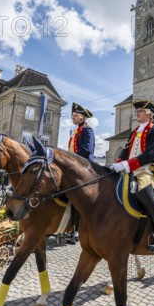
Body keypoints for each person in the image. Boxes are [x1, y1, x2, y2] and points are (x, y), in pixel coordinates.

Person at [109, 100, 154, 253]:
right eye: (137, 111)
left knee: (142, 190)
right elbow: (125, 151)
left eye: (140, 110)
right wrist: (118, 163)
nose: (137, 113)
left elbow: (149, 155)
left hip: (145, 170)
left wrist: (126, 165)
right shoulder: (134, 132)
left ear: (149, 114)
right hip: (128, 169)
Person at [67, 102, 96, 244]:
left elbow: (86, 151)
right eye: (72, 115)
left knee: (80, 196)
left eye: (75, 115)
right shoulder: (74, 131)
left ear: (82, 117)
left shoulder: (87, 130)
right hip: (72, 166)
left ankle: (77, 229)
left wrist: (69, 159)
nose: (73, 117)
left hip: (84, 167)